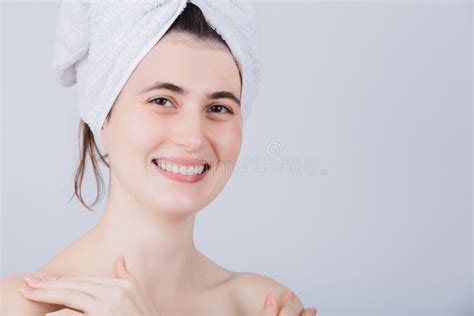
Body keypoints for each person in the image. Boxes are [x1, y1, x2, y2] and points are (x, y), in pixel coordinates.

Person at [1, 2, 318, 315]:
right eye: (163, 100)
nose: (194, 138)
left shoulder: (263, 304)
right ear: (102, 114)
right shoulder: (25, 306)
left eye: (219, 108)